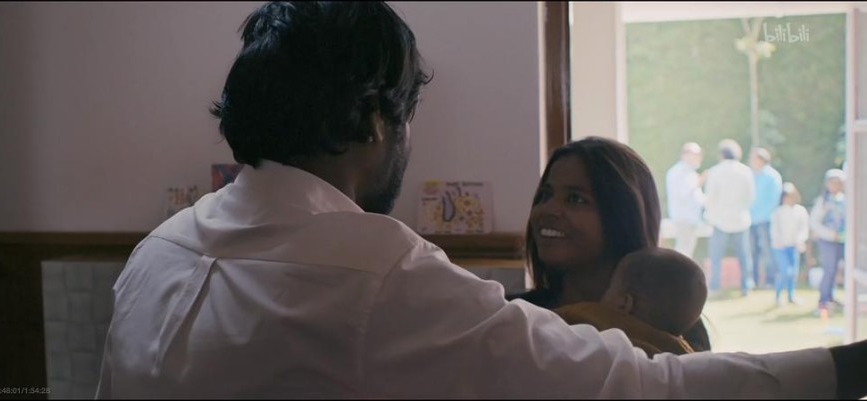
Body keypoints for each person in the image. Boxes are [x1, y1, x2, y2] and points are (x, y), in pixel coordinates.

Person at [97, 2, 867, 398]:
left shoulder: (157, 252)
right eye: (407, 116)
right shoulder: (370, 270)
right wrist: (844, 369)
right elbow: (640, 388)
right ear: (376, 119)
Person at [506, 136, 711, 352]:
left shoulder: (679, 331)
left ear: (623, 217)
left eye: (575, 199)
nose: (547, 210)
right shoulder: (512, 317)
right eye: (545, 195)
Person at [554, 247, 707, 358]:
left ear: (624, 303)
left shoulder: (593, 317)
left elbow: (549, 325)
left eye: (610, 287)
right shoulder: (683, 355)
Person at [703, 139, 756, 295]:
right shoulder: (746, 171)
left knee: (716, 257)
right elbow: (751, 196)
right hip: (741, 219)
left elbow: (710, 197)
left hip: (719, 220)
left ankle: (715, 287)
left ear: (721, 155)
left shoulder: (715, 171)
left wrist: (710, 213)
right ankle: (746, 286)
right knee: (744, 256)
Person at [810, 168, 847, 313]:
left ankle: (831, 297)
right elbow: (814, 222)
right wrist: (831, 234)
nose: (835, 186)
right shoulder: (823, 202)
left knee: (839, 269)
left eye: (838, 183)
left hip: (843, 240)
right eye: (832, 183)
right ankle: (823, 300)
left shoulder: (845, 200)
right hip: (828, 240)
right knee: (829, 269)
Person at [748, 147, 783, 289]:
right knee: (752, 252)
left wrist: (762, 215)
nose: (751, 161)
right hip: (750, 220)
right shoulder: (750, 175)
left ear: (762, 160)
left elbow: (774, 200)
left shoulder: (772, 176)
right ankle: (754, 280)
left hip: (766, 220)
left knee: (768, 251)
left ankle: (771, 280)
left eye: (754, 159)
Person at [770, 182, 809, 306]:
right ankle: (778, 296)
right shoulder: (778, 212)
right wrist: (779, 241)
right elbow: (774, 230)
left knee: (793, 273)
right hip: (780, 247)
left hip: (794, 246)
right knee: (785, 271)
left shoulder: (800, 211)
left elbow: (803, 228)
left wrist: (800, 240)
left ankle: (791, 296)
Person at [665, 142, 706, 258]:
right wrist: (699, 183)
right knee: (683, 250)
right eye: (696, 155)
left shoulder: (690, 173)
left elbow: (698, 198)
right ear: (685, 155)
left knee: (687, 249)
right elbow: (683, 194)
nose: (698, 158)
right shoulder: (677, 172)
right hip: (683, 218)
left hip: (691, 218)